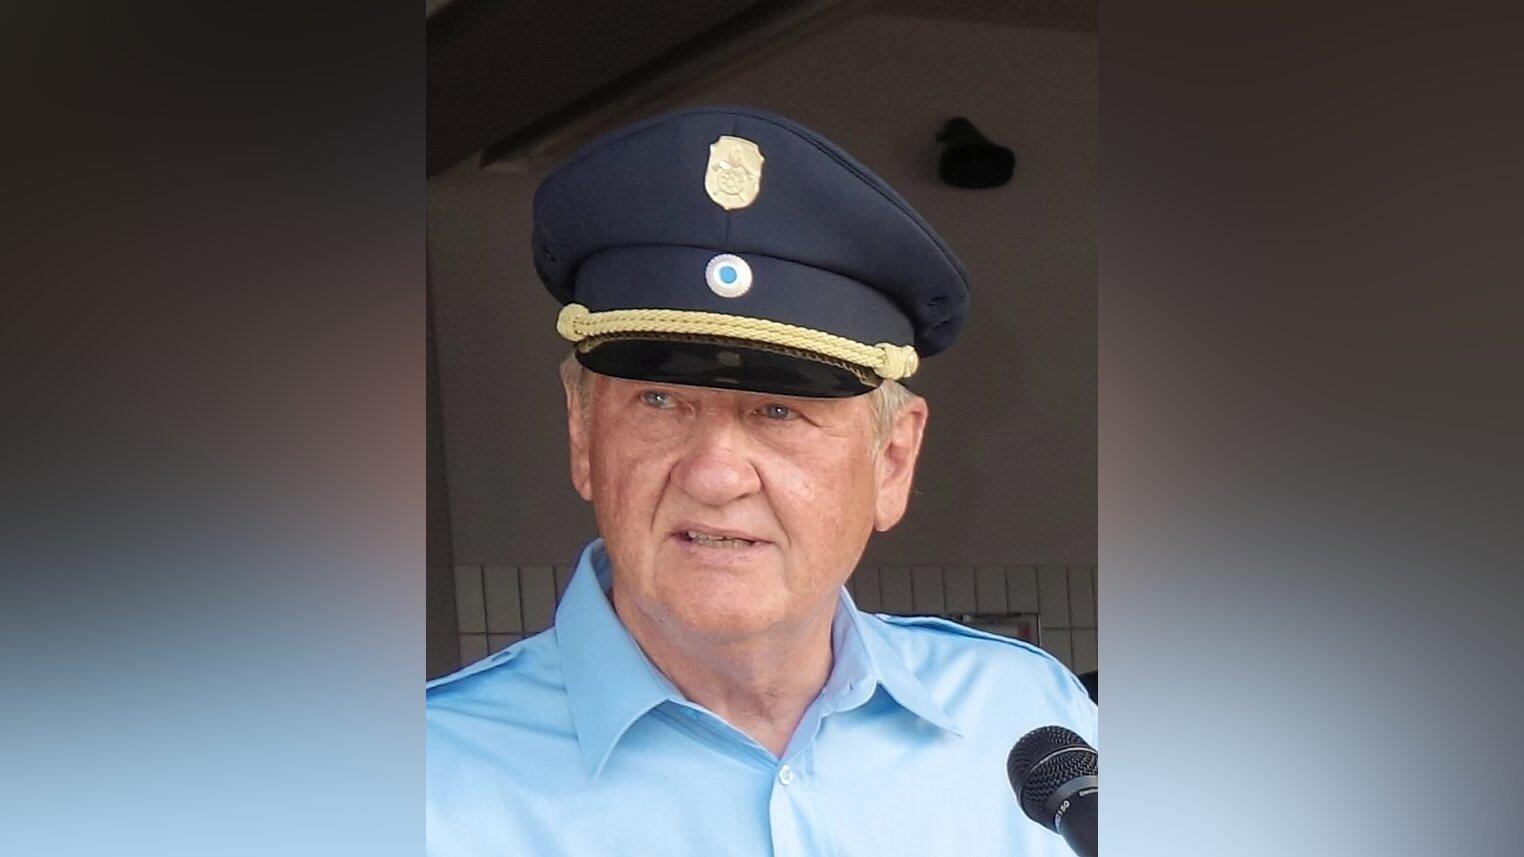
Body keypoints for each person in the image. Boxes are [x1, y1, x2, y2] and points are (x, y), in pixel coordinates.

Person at [426, 106, 1096, 856]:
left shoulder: (1028, 722)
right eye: (660, 401)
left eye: (780, 412)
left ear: (892, 460)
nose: (715, 477)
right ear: (583, 433)